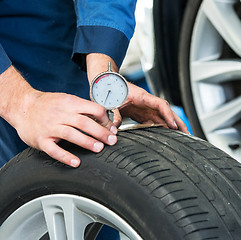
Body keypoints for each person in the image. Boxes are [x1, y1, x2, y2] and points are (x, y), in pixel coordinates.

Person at [0, 0, 188, 170]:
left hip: (46, 20)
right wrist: (21, 103)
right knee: (19, 172)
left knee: (75, 147)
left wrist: (104, 75)